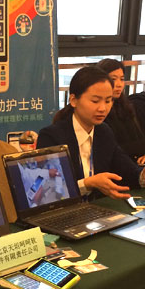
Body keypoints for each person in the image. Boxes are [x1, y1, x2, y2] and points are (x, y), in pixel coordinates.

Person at [37, 66, 145, 200]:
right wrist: (87, 184)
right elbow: (48, 191)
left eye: (108, 100)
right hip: (65, 210)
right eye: (95, 101)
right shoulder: (51, 136)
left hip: (98, 209)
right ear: (73, 100)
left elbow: (127, 170)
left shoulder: (103, 131)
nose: (103, 108)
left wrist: (142, 175)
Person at [96, 58, 145, 165]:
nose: (119, 84)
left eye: (122, 79)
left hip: (136, 162)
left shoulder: (126, 106)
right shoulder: (99, 112)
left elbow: (138, 136)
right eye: (113, 79)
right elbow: (112, 149)